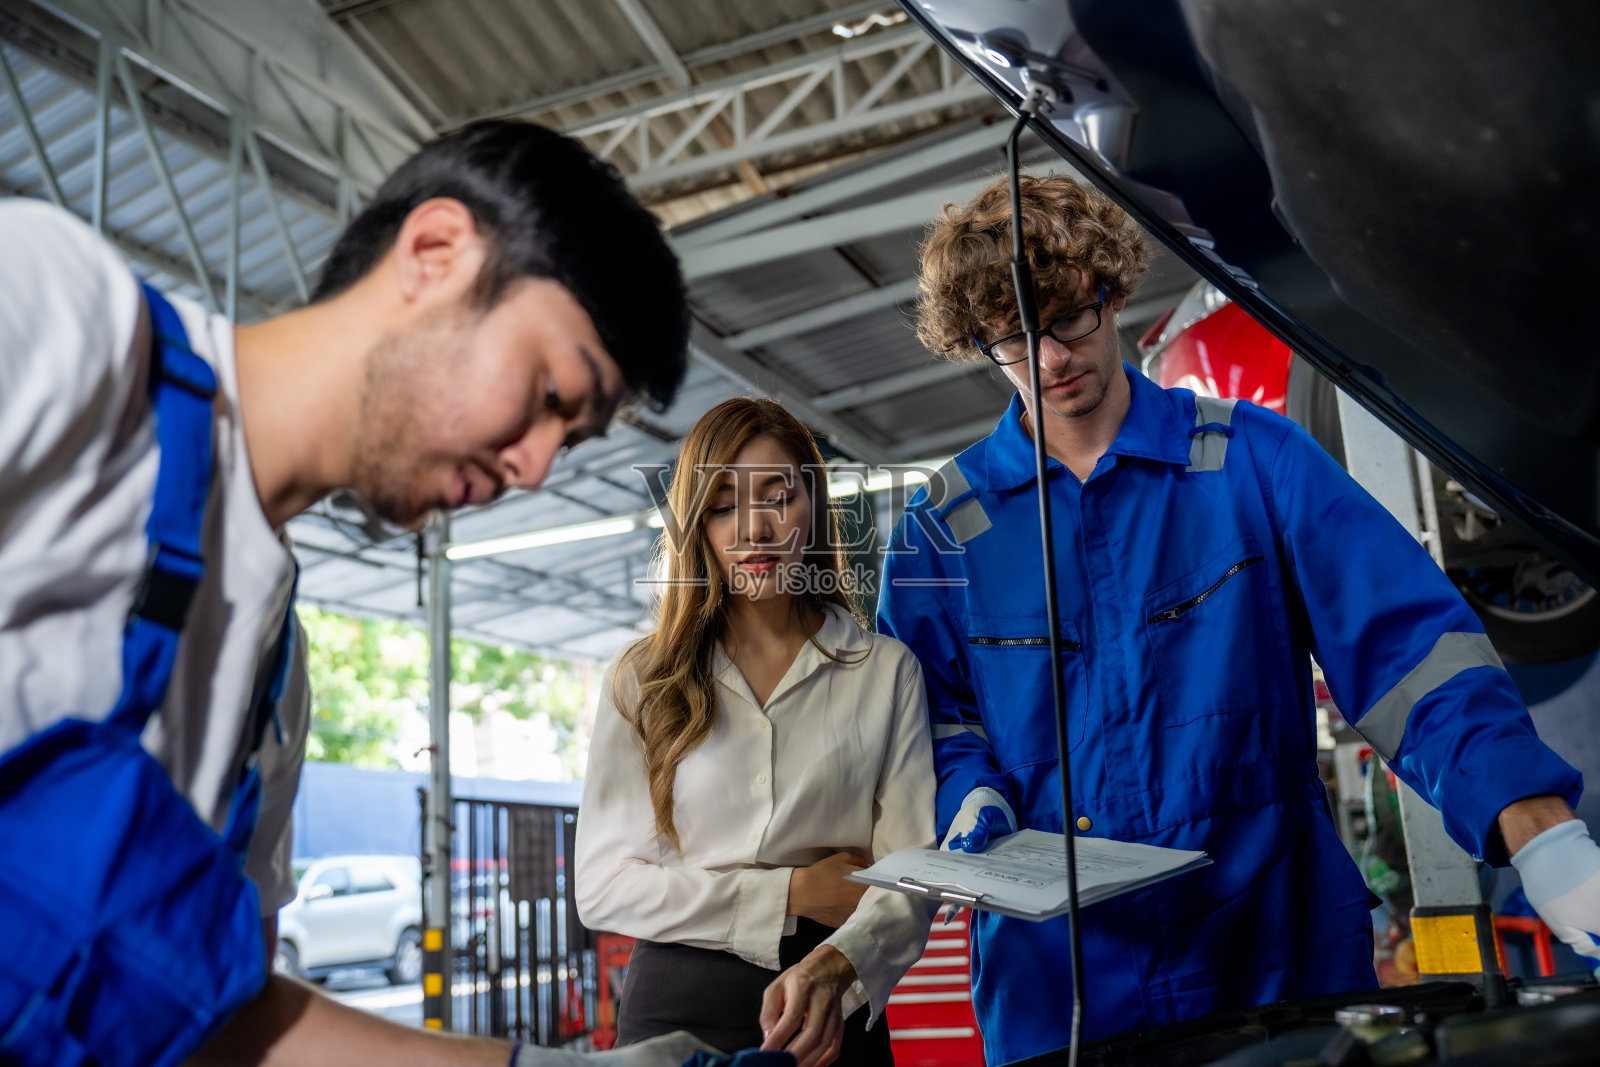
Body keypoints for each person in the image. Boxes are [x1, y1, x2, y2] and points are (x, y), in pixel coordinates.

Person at [0, 120, 712, 1067]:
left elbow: (212, 1013)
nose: (537, 468)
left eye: (570, 442)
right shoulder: (65, 320)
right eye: (549, 392)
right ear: (436, 251)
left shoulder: (274, 686)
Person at [876, 172, 1600, 1063]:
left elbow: (1407, 652)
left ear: (1112, 286)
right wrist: (966, 790)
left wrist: (1539, 830)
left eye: (1069, 315)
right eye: (1011, 339)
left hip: (1271, 947)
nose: (1051, 357)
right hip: (1063, 984)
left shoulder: (1251, 461)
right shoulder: (944, 528)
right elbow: (931, 721)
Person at [576, 398, 937, 1067]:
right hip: (674, 1005)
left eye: (779, 496)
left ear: (814, 505)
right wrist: (793, 892)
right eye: (722, 505)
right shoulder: (643, 677)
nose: (756, 528)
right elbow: (603, 885)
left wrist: (838, 962)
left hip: (833, 1002)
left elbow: (909, 878)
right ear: (695, 525)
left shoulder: (886, 672)